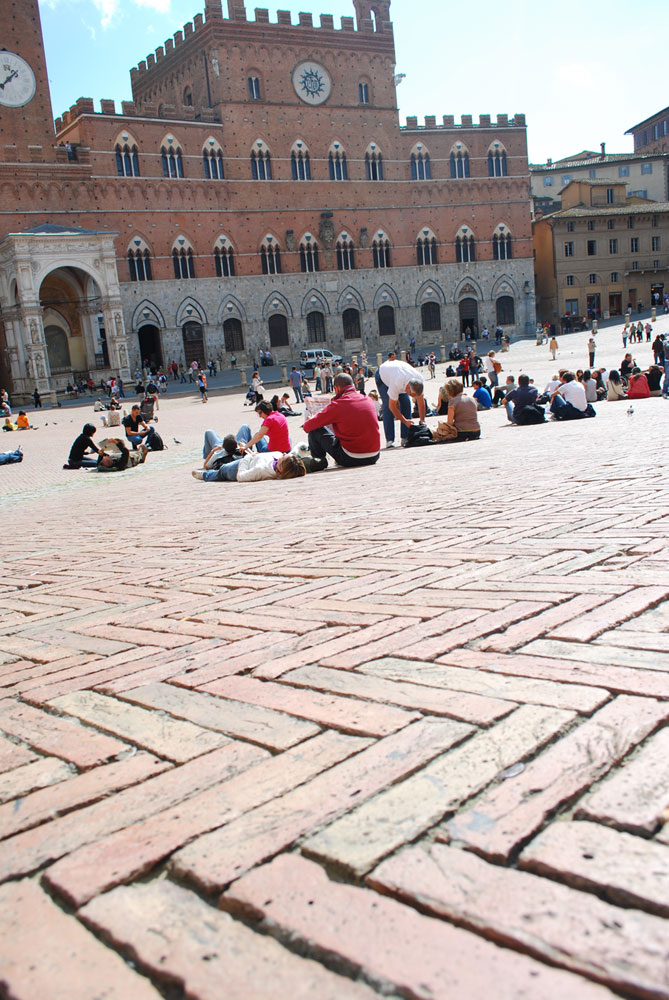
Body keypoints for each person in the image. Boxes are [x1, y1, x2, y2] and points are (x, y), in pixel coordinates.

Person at [302, 373, 380, 470]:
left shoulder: (338, 404)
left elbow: (307, 427)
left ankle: (319, 462)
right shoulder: (367, 399)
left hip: (351, 457)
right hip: (374, 455)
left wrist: (310, 419)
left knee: (315, 431)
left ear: (336, 388)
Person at [374, 357, 426, 447]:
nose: (413, 397)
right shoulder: (397, 382)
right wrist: (404, 421)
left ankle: (405, 437)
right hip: (382, 376)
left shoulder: (419, 380)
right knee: (387, 406)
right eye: (412, 394)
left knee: (407, 404)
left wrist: (422, 420)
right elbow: (392, 406)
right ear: (408, 388)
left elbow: (421, 402)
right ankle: (390, 440)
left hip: (398, 372)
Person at [194, 450, 305, 483]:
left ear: (281, 467)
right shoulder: (279, 457)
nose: (284, 454)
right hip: (251, 458)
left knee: (222, 471)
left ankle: (205, 475)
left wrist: (247, 457)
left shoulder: (261, 469)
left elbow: (241, 477)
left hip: (239, 467)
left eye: (285, 456)